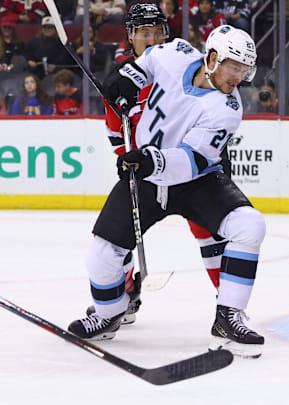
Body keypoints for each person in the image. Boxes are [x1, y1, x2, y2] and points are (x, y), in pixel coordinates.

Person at [68, 25, 265, 357]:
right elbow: (144, 64)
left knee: (250, 226)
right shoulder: (177, 54)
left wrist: (150, 159)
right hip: (145, 178)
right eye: (235, 67)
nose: (239, 77)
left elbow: (192, 160)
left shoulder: (227, 110)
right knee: (101, 255)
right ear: (213, 58)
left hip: (196, 182)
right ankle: (108, 313)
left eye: (244, 70)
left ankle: (228, 317)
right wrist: (126, 80)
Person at [86, 2, 232, 326]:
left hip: (191, 168)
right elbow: (116, 135)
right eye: (144, 34)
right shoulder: (120, 81)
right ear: (130, 37)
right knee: (116, 233)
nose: (152, 40)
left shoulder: (187, 64)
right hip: (147, 171)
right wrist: (129, 159)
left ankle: (228, 312)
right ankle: (121, 299)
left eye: (157, 32)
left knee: (212, 232)